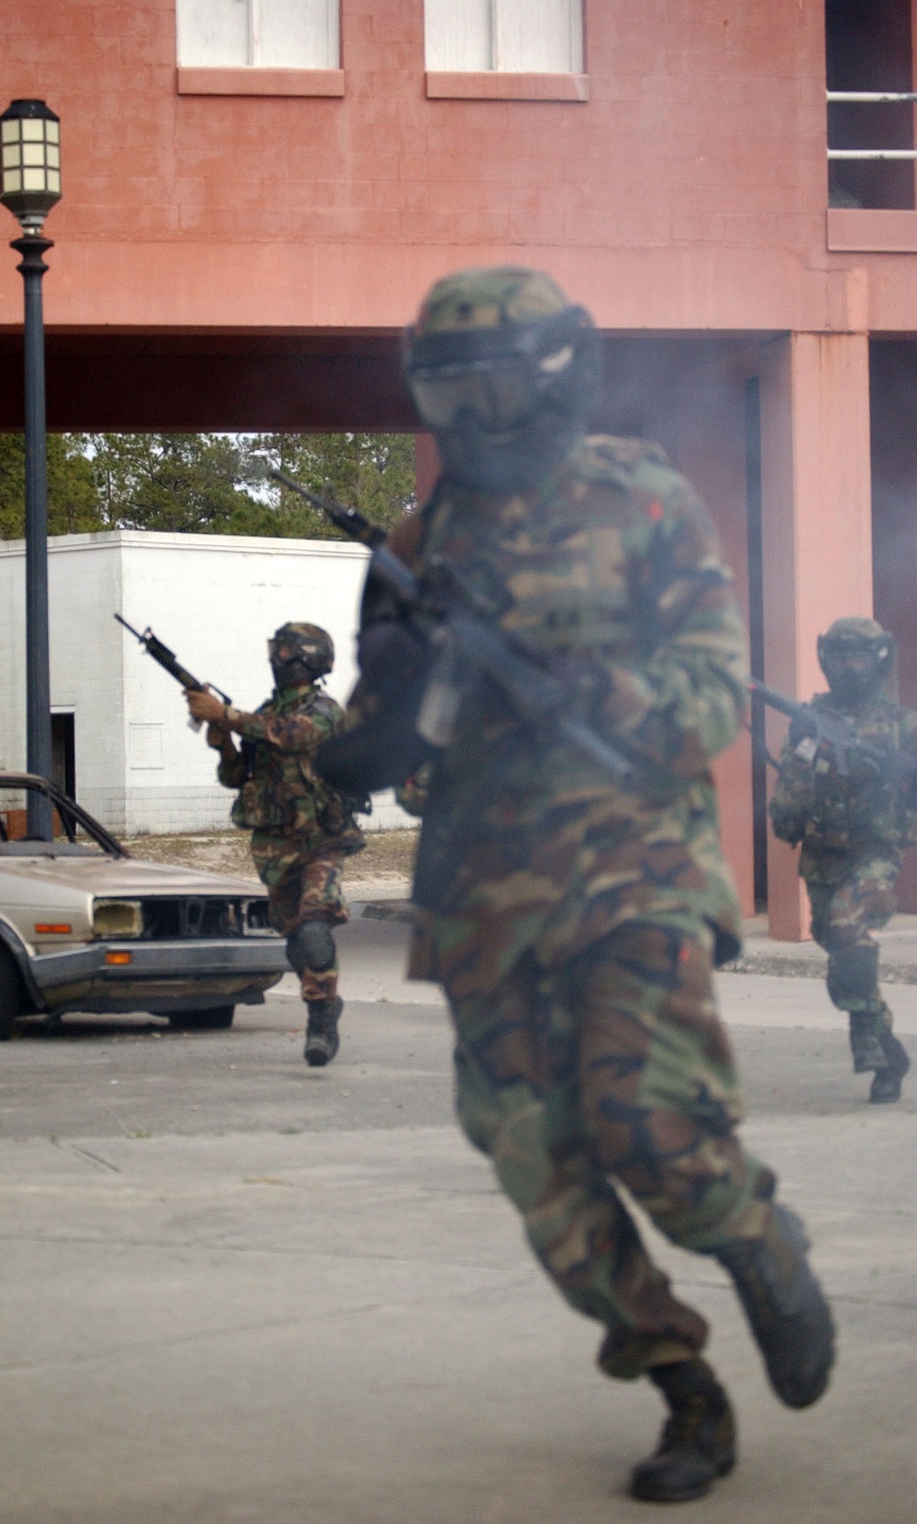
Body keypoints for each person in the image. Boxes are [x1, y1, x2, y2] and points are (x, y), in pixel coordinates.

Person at [319, 267, 835, 1503]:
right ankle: (681, 1385)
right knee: (530, 1155)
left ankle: (750, 1233)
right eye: (457, 389)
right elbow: (373, 745)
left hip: (633, 875)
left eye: (503, 383)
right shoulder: (415, 544)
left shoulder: (642, 498)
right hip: (482, 894)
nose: (483, 414)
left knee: (647, 1130)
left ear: (557, 376)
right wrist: (399, 700)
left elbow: (718, 691)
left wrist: (607, 692)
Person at [187, 622, 365, 1067]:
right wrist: (223, 743)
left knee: (313, 923)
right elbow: (236, 778)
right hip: (277, 847)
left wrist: (225, 715)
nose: (275, 659)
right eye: (275, 650)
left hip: (322, 839)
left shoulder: (323, 711)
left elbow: (291, 735)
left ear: (306, 660)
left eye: (284, 652)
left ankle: (321, 1019)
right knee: (294, 941)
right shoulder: (266, 715)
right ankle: (322, 999)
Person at [768, 616, 915, 1103]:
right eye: (840, 656)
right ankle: (888, 1048)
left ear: (878, 661)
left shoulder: (901, 726)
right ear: (826, 659)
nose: (849, 667)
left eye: (858, 657)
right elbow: (784, 812)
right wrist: (805, 746)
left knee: (850, 934)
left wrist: (903, 773)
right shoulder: (812, 724)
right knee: (846, 962)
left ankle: (865, 1042)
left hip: (873, 855)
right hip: (821, 861)